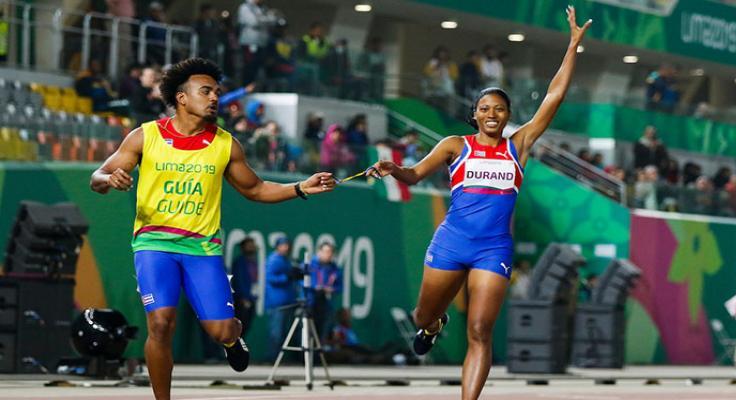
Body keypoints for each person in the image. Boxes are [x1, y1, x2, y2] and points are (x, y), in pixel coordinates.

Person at [366, 7, 591, 399]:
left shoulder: (518, 146)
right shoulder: (455, 146)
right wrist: (392, 168)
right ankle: (433, 327)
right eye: (485, 108)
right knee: (423, 314)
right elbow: (415, 174)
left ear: (507, 117)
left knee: (479, 331)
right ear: (475, 115)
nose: (492, 114)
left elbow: (554, 96)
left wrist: (571, 47)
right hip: (451, 241)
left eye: (499, 109)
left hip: (493, 249)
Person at [89, 58, 336, 400]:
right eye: (206, 91)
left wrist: (299, 187)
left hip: (202, 250)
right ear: (181, 98)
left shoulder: (225, 145)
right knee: (160, 324)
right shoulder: (145, 136)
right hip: (153, 243)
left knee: (220, 331)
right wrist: (109, 178)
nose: (215, 97)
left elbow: (255, 189)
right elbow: (96, 177)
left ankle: (233, 339)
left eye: (217, 92)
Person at [264, 235, 298, 361]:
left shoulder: (286, 260)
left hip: (287, 301)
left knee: (283, 333)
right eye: (284, 245)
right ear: (278, 246)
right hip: (277, 303)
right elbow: (270, 278)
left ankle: (278, 358)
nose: (286, 248)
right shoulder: (274, 260)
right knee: (276, 333)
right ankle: (271, 358)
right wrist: (286, 277)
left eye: (288, 245)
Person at [308, 242, 343, 340]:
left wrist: (332, 289)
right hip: (311, 305)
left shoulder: (335, 269)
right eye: (325, 251)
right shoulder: (310, 266)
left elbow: (340, 287)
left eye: (330, 252)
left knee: (322, 336)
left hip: (326, 306)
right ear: (319, 252)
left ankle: (319, 355)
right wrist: (314, 287)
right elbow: (301, 281)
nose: (328, 254)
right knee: (307, 335)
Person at [230, 237, 259, 338]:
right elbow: (238, 281)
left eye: (252, 245)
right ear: (243, 248)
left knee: (246, 327)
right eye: (249, 245)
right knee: (239, 327)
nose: (252, 247)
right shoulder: (239, 263)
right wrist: (243, 298)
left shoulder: (253, 262)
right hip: (242, 301)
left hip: (251, 299)